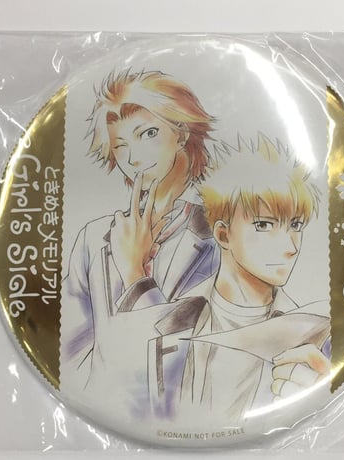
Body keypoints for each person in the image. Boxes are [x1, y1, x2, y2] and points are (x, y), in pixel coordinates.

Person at [146, 134, 331, 421]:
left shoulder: (315, 331)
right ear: (223, 234)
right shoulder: (171, 319)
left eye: (296, 225)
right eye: (264, 225)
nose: (290, 246)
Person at [60, 69, 220, 393]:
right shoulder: (94, 238)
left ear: (181, 133)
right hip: (101, 405)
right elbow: (70, 351)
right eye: (120, 146)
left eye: (148, 134)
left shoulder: (221, 235)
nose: (133, 158)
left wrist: (135, 273)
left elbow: (207, 356)